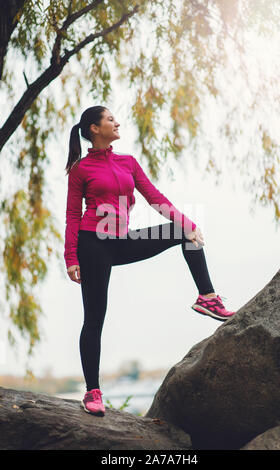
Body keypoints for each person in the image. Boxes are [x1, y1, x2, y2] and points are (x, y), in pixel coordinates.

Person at [64, 105, 235, 416]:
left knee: (184, 233)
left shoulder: (127, 162)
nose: (117, 123)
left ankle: (207, 298)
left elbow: (154, 197)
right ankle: (92, 392)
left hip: (123, 240)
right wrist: (70, 256)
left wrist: (187, 223)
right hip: (93, 244)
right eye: (110, 119)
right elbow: (73, 215)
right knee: (94, 319)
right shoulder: (80, 169)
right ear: (93, 128)